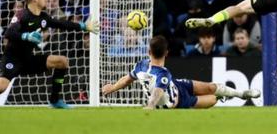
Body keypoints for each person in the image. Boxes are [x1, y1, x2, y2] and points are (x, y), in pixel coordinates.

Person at [102, 35, 260, 109]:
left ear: (149, 52)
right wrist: (151, 105)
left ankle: (242, 94)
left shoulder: (141, 65)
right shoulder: (162, 74)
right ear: (167, 53)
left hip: (175, 86)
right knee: (212, 98)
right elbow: (157, 91)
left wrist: (112, 88)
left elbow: (126, 79)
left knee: (210, 86)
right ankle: (223, 96)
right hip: (178, 102)